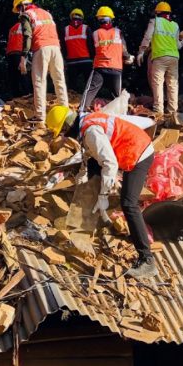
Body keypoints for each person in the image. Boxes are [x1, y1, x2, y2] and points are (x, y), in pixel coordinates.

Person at [45, 105, 157, 278]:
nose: (66, 136)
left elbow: (110, 163)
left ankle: (147, 260)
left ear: (67, 126)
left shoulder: (91, 131)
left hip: (139, 152)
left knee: (129, 203)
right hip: (131, 146)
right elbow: (93, 155)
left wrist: (104, 195)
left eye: (64, 132)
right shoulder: (86, 122)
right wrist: (84, 175)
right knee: (93, 169)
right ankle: (91, 220)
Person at [13, 0, 68, 122]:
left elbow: (27, 36)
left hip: (41, 48)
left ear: (22, 6)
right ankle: (65, 112)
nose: (18, 12)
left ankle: (40, 116)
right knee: (59, 80)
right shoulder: (46, 13)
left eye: (18, 9)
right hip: (56, 48)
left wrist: (23, 58)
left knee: (39, 82)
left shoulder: (26, 15)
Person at [138, 1, 183, 124]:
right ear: (169, 14)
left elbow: (147, 37)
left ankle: (159, 112)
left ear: (157, 13)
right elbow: (177, 45)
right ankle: (173, 113)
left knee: (158, 84)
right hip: (173, 58)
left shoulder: (154, 21)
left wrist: (141, 51)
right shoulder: (175, 26)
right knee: (172, 85)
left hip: (159, 57)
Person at [80, 6, 133, 111]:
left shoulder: (95, 34)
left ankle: (83, 109)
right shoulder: (118, 32)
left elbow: (91, 51)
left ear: (99, 20)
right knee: (116, 95)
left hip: (100, 67)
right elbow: (124, 50)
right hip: (116, 68)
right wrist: (128, 57)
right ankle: (121, 113)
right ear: (111, 19)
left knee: (90, 90)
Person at [62, 8, 94, 90]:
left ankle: (71, 99)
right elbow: (91, 44)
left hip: (71, 61)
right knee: (88, 84)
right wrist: (92, 57)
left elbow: (63, 46)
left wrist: (65, 59)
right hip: (86, 60)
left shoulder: (65, 29)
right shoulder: (86, 28)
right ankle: (87, 99)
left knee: (72, 85)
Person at [5, 21, 31, 98]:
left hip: (10, 53)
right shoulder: (24, 25)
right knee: (22, 72)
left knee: (13, 76)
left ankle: (16, 96)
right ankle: (27, 93)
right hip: (19, 52)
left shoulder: (12, 28)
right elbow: (28, 39)